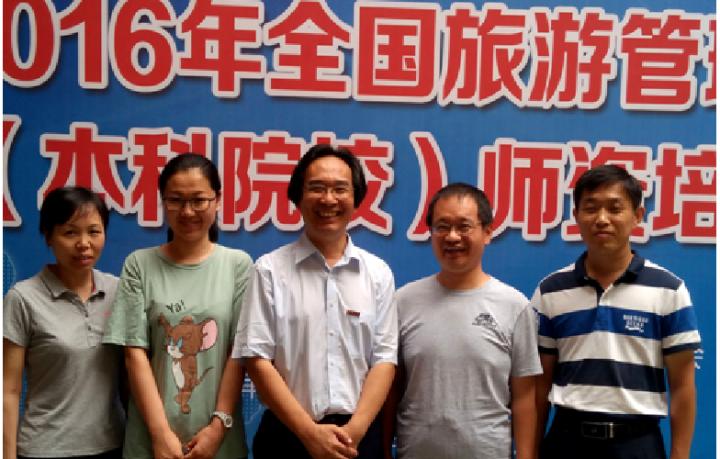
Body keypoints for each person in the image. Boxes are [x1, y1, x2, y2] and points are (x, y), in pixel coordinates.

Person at [233, 144, 397, 459]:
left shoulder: (377, 273)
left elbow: (384, 359)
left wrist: (355, 431)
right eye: (317, 188)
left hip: (358, 437)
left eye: (340, 189)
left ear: (357, 198)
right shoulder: (269, 270)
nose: (328, 199)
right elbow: (257, 358)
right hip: (288, 435)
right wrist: (308, 433)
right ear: (298, 196)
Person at [533, 164, 701, 459]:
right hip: (566, 442)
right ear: (576, 215)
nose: (602, 219)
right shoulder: (550, 291)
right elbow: (538, 386)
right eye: (591, 208)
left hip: (637, 444)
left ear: (637, 215)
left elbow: (683, 387)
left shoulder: (669, 290)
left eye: (614, 208)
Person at [102, 153, 253, 459]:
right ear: (163, 201)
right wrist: (160, 435)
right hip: (150, 442)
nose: (187, 211)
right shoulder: (139, 265)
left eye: (199, 200)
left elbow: (238, 353)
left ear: (218, 201)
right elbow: (134, 354)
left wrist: (218, 428)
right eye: (176, 200)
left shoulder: (238, 266)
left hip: (219, 442)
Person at [383, 183, 541, 459]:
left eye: (464, 226)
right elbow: (391, 389)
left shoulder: (515, 306)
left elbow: (524, 398)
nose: (452, 237)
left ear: (487, 232)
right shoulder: (403, 301)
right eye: (442, 227)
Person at [3, 186, 125, 459]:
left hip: (112, 445)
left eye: (94, 231)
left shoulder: (117, 291)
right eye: (70, 232)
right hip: (46, 449)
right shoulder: (23, 298)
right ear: (48, 236)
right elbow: (8, 391)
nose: (84, 243)